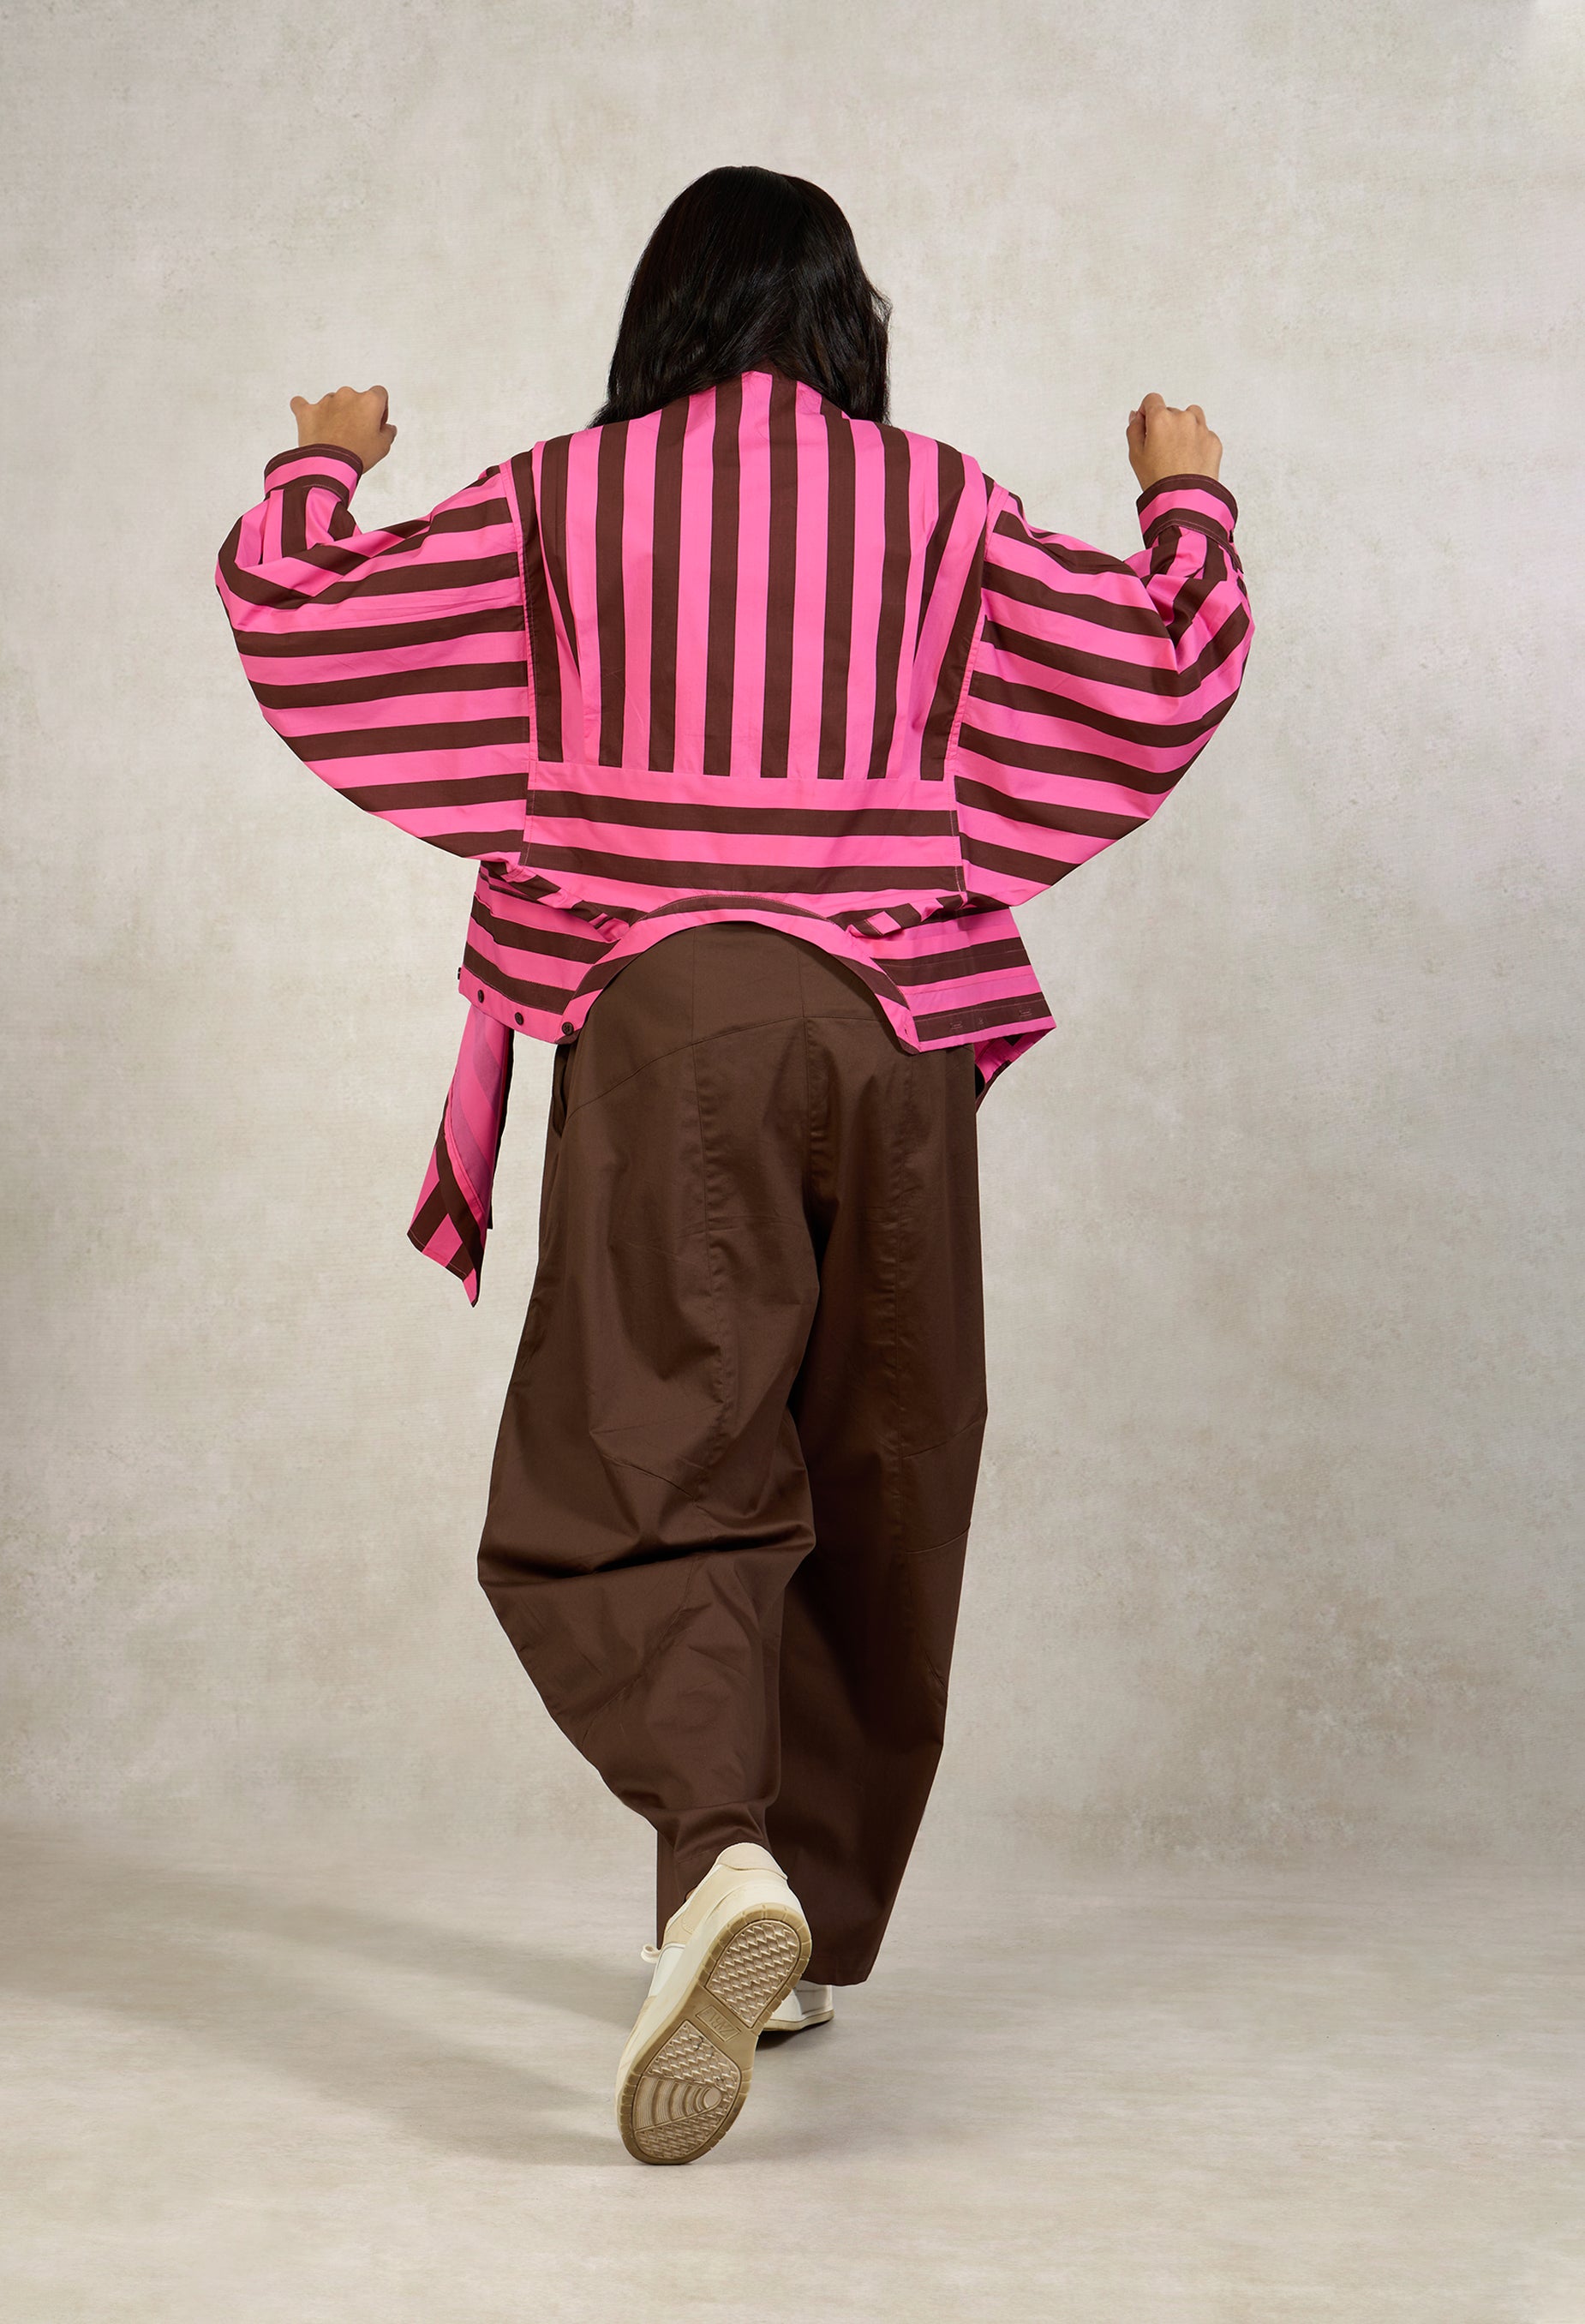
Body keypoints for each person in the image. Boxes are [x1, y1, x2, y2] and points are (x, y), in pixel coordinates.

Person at [214, 165, 1253, 2165]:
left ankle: (720, 1863)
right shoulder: (939, 500)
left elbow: (303, 611)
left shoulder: (565, 495)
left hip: (680, 1026)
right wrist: (1185, 495)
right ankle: (800, 1932)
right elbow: (1157, 661)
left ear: (665, 315)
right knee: (881, 1467)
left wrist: (319, 461)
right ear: (844, 321)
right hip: (900, 1044)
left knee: (642, 1461)